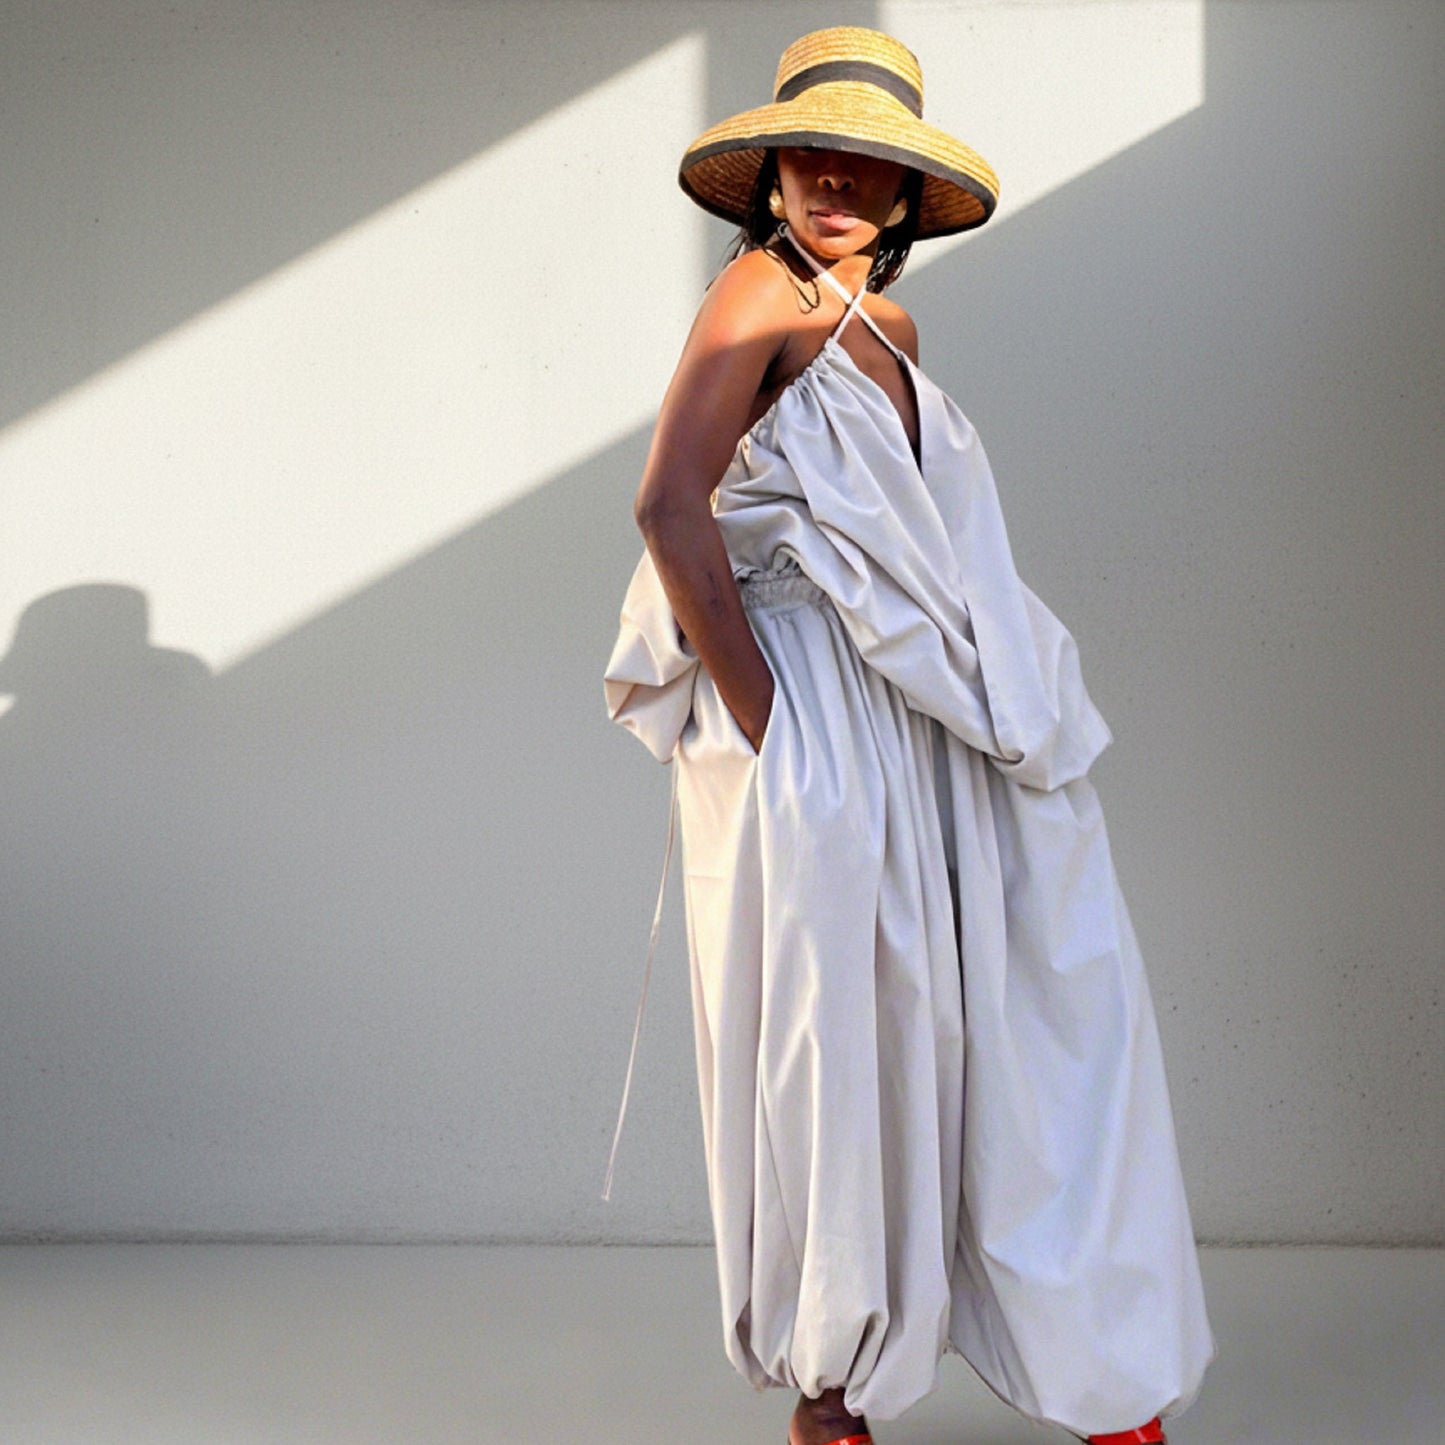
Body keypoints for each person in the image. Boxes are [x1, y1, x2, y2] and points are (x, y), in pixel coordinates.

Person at [603, 26, 1214, 1445]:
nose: (836, 178)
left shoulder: (890, 326)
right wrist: (772, 721)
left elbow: (927, 549)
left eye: (870, 163)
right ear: (766, 172)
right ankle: (835, 1394)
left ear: (903, 196)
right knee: (840, 1044)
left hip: (915, 714)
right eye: (811, 153)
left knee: (1014, 1010)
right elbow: (667, 506)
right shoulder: (754, 293)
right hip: (813, 715)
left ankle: (1099, 1368)